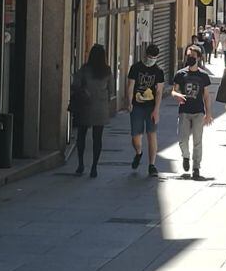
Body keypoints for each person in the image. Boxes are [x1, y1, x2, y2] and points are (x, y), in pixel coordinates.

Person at [70, 44, 115, 178]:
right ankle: (94, 167)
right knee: (97, 138)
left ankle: (80, 164)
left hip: (85, 106)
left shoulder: (84, 69)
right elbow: (111, 90)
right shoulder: (107, 71)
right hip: (100, 108)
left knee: (81, 136)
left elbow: (75, 85)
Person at [172, 46, 213, 180]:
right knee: (182, 140)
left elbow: (206, 95)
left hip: (198, 112)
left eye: (193, 56)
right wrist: (176, 95)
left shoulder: (203, 76)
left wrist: (208, 113)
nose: (190, 58)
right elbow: (174, 90)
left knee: (197, 141)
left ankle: (196, 167)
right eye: (188, 55)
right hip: (184, 111)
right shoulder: (180, 74)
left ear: (199, 58)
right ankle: (185, 156)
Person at [125, 43, 164, 176]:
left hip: (151, 107)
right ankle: (138, 152)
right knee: (136, 136)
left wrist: (156, 110)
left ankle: (152, 165)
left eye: (154, 57)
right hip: (136, 106)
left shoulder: (158, 71)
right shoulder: (136, 68)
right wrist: (129, 102)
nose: (151, 59)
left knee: (151, 134)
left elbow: (159, 91)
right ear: (145, 55)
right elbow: (130, 85)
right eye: (149, 56)